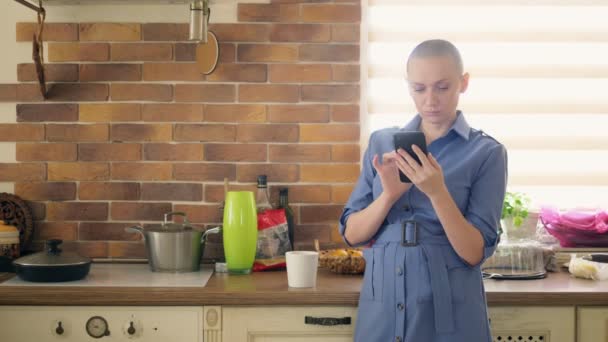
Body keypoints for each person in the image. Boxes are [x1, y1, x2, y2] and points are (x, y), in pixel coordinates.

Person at [339, 39, 507, 341]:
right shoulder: (381, 143)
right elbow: (352, 234)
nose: (430, 100)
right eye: (419, 88)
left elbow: (473, 253)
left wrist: (437, 192)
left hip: (450, 313)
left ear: (463, 83)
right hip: (382, 310)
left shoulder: (486, 153)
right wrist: (389, 195)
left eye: (442, 87)